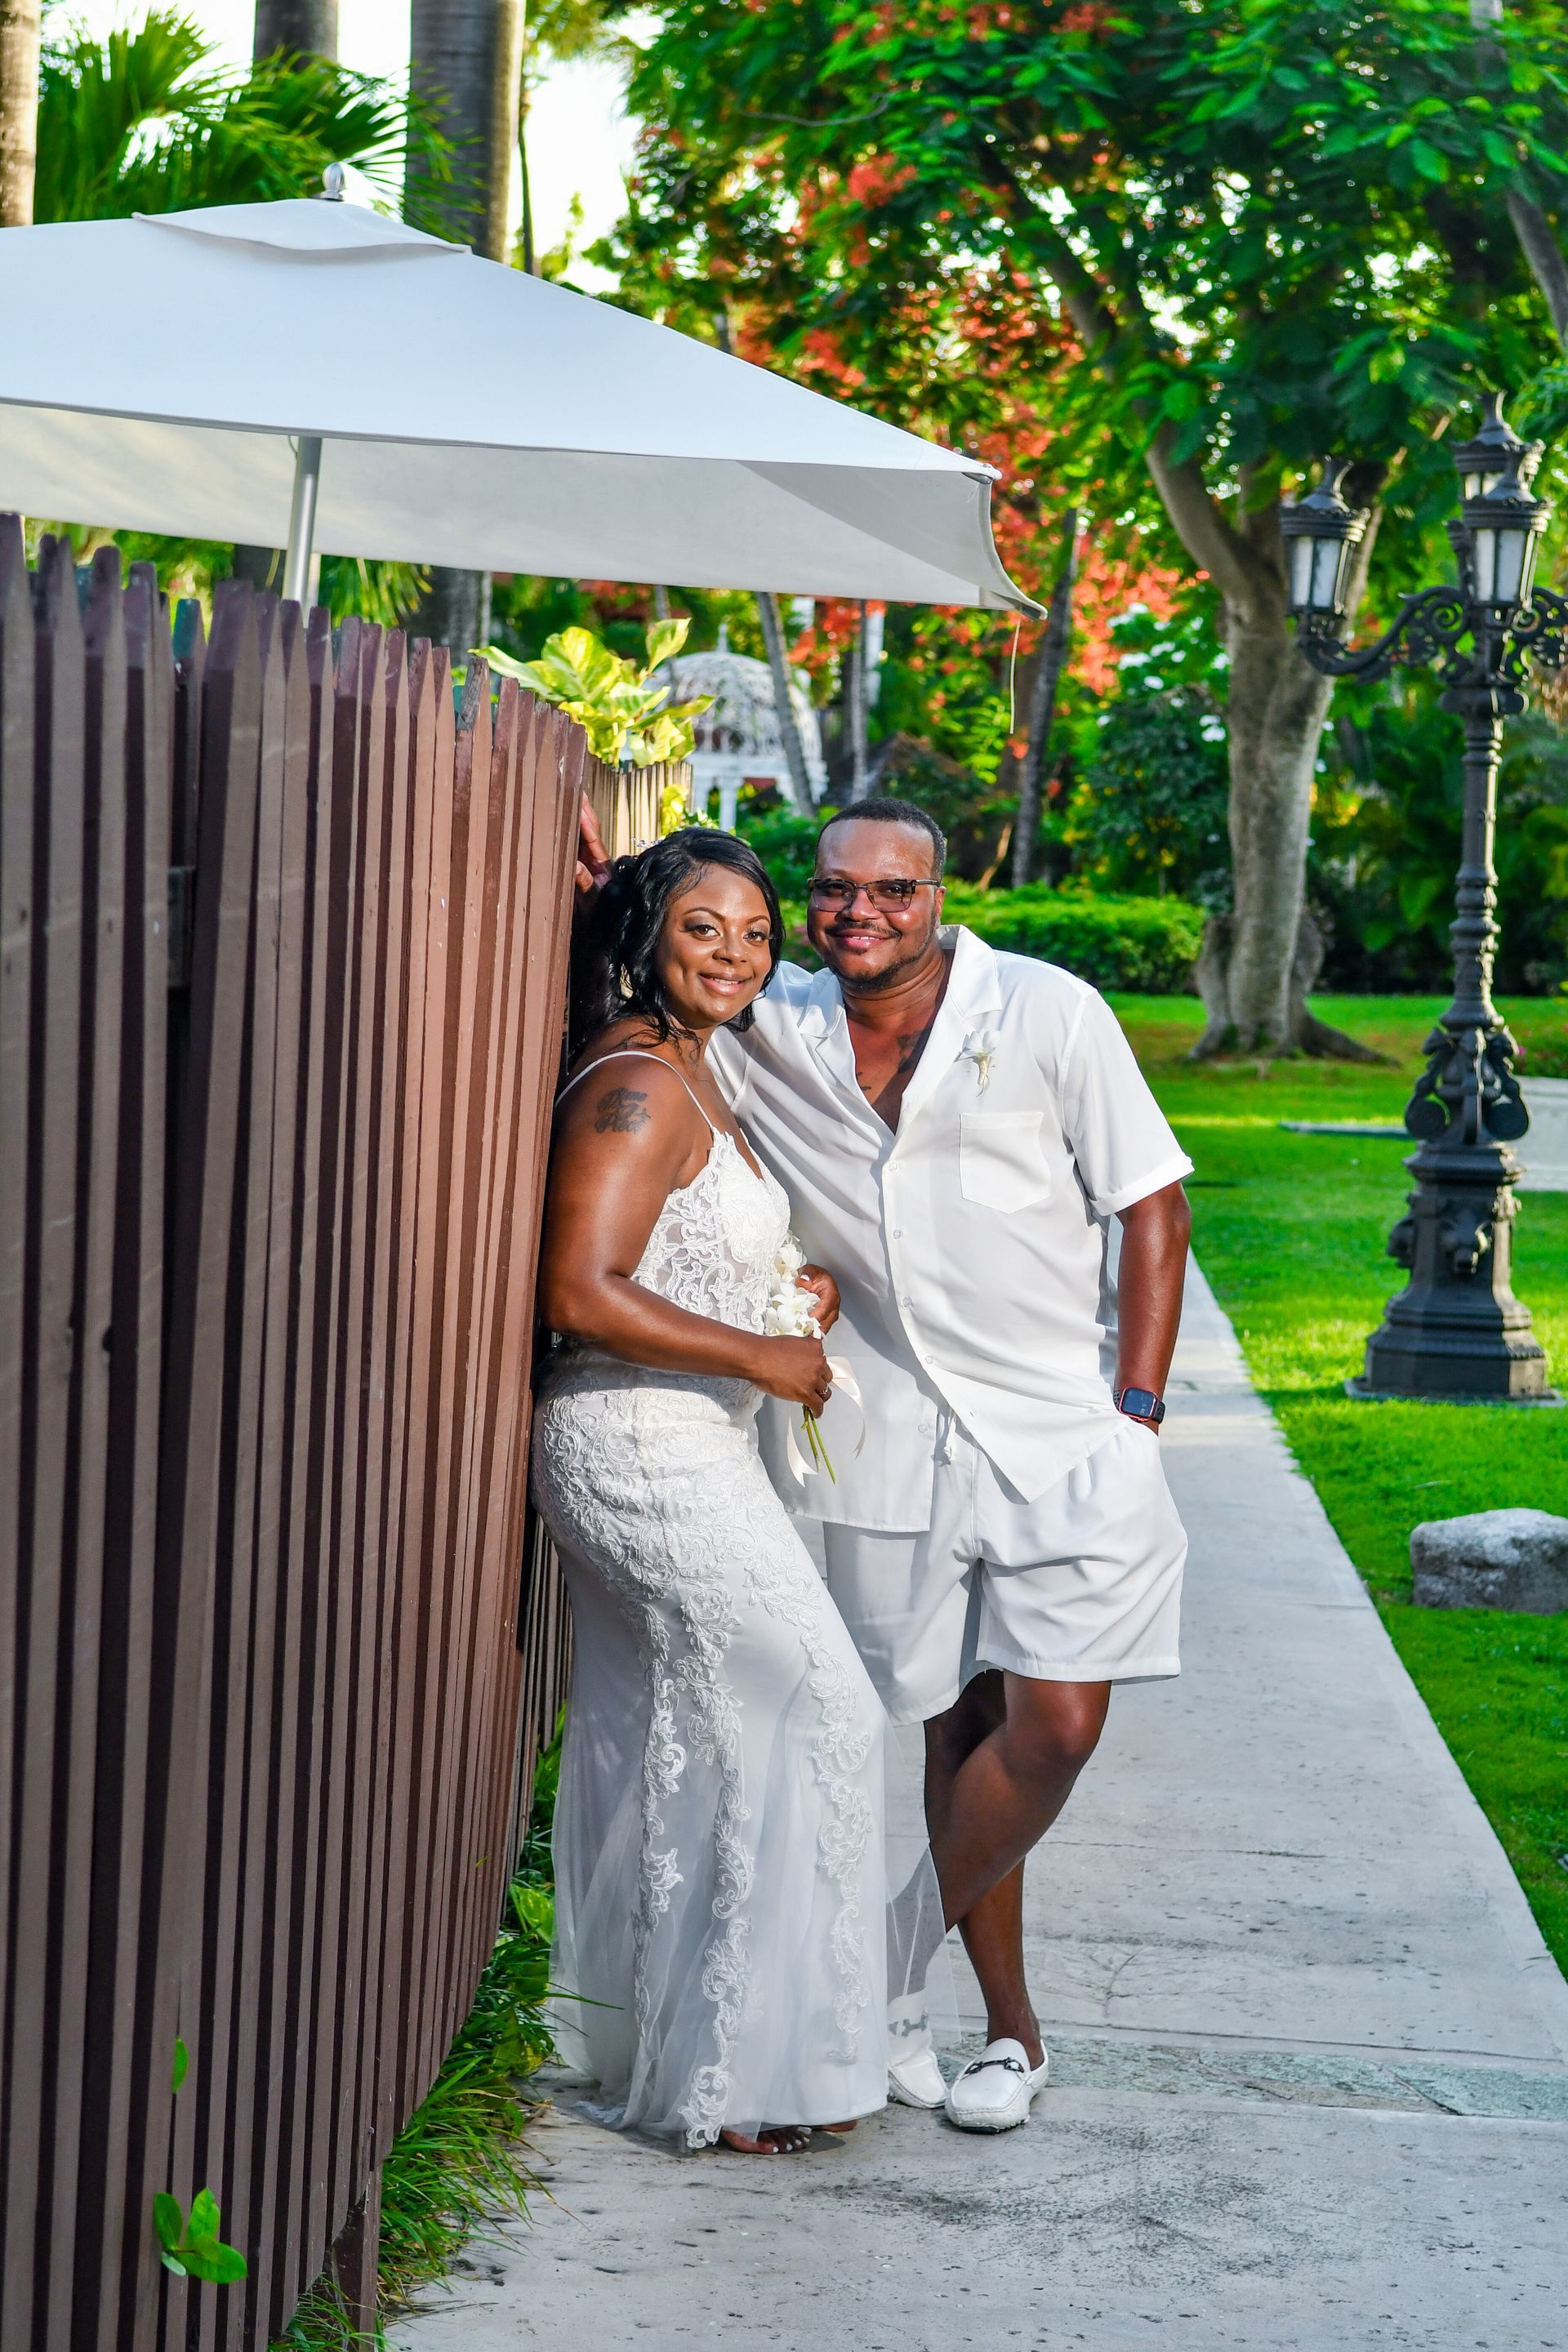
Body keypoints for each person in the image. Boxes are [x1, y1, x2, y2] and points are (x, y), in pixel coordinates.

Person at [575, 793, 1192, 2135]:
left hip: (1059, 1435)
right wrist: (614, 876)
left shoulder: (1048, 1011)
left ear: (940, 894)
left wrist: (1135, 1409)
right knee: (946, 1722)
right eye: (839, 889)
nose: (863, 912)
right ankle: (998, 2037)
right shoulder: (769, 1029)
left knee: (1055, 1726)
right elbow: (683, 962)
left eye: (894, 890)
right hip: (877, 1435)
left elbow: (1152, 1202)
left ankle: (891, 1969)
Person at [532, 828, 942, 2156]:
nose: (736, 955)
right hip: (635, 1446)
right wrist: (762, 1351)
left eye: (756, 934)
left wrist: (789, 1294)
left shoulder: (700, 1073)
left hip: (694, 1439)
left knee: (718, 1725)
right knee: (817, 1702)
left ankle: (709, 2052)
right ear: (648, 934)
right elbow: (579, 1290)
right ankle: (741, 2074)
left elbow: (683, 1252)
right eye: (702, 927)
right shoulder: (640, 1088)